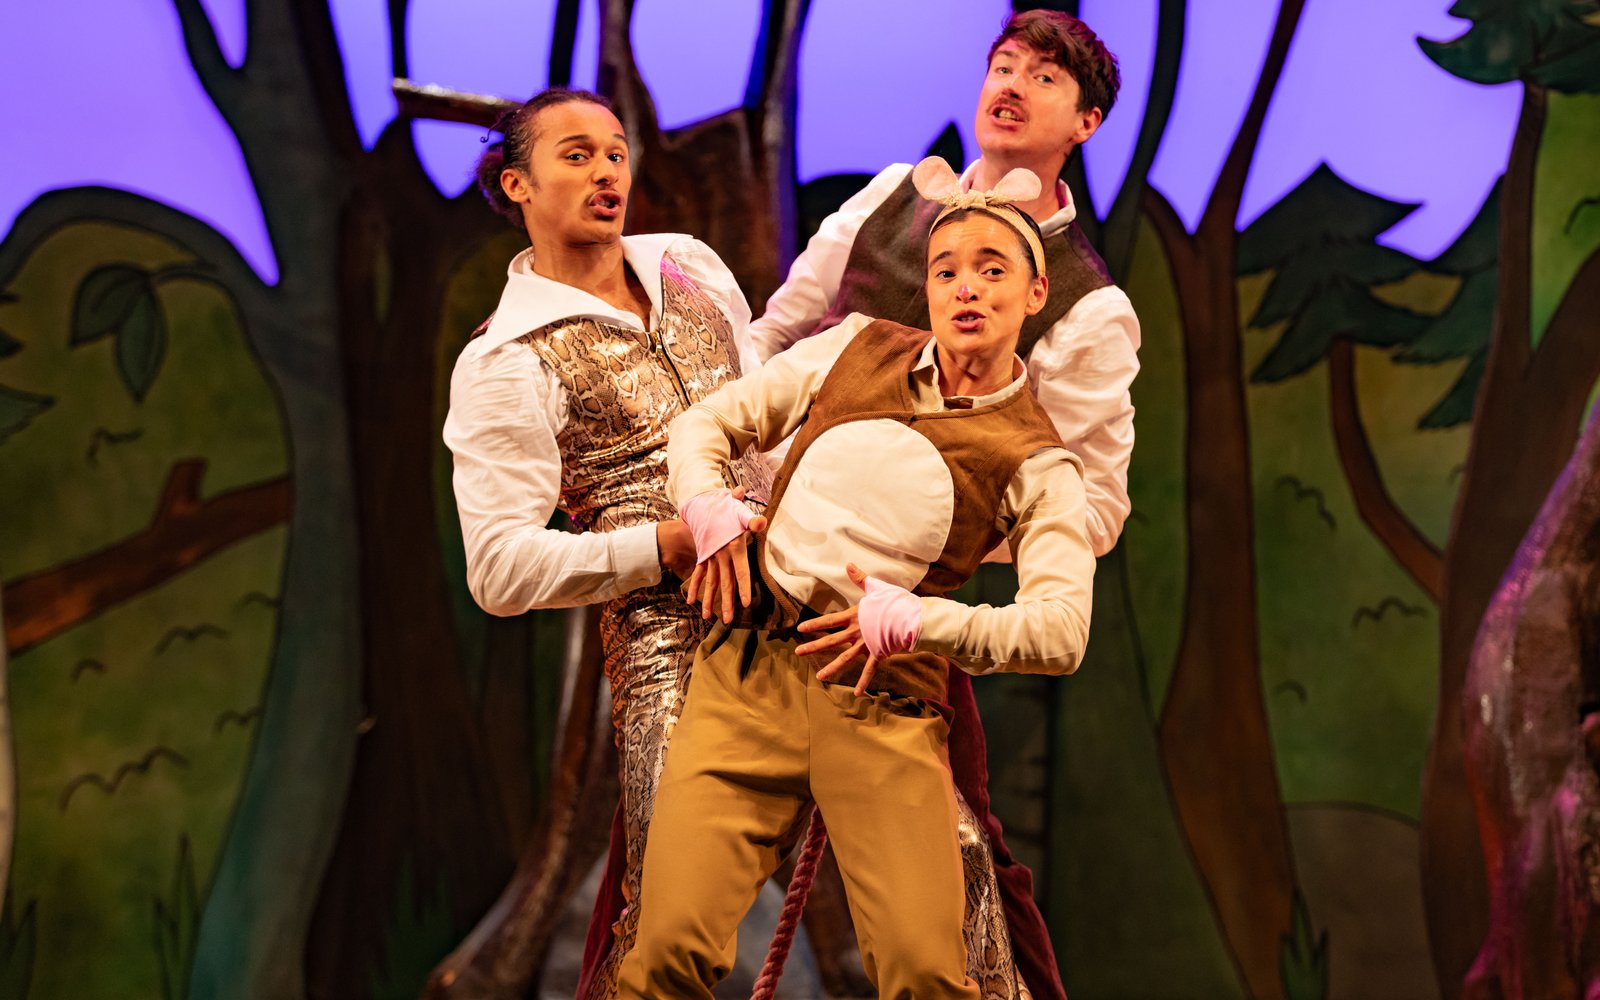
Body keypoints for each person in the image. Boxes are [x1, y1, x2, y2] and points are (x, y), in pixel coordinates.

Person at [616, 159, 1096, 1000]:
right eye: (946, 271)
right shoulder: (857, 345)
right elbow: (708, 423)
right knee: (664, 956)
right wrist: (707, 504)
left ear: (1035, 292)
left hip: (883, 705)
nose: (966, 288)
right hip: (747, 676)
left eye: (992, 270)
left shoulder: (1037, 459)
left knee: (925, 975)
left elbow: (1060, 630)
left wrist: (922, 622)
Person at [747, 11, 1137, 996]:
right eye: (1003, 64)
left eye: (1043, 77)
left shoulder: (1087, 305)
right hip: (754, 555)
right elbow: (774, 332)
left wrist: (937, 549)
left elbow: (1092, 508)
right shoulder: (892, 196)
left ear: (1084, 123)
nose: (1011, 84)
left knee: (963, 857)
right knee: (660, 809)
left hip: (892, 612)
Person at [440, 87, 770, 997]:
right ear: (517, 183)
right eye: (576, 154)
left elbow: (767, 416)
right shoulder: (506, 358)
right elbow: (499, 568)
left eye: (616, 152)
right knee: (672, 926)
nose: (606, 172)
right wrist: (660, 546)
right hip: (674, 645)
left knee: (945, 854)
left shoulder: (688, 266)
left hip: (802, 604)